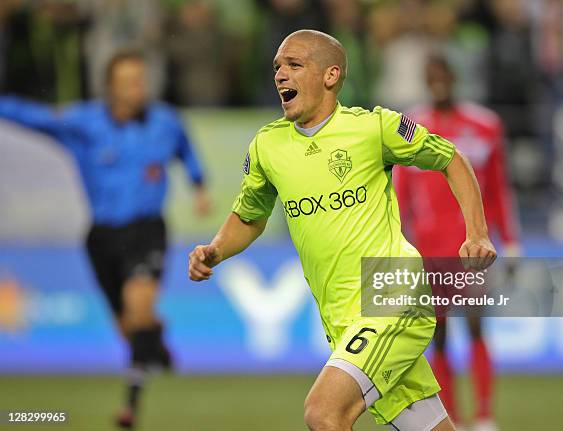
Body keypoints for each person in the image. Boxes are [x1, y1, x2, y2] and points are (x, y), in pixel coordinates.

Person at [189, 30, 496, 431]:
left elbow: (451, 158)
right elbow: (250, 216)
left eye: (294, 65)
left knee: (324, 411)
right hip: (341, 319)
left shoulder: (374, 128)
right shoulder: (267, 146)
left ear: (330, 75)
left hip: (391, 293)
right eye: (277, 67)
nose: (281, 75)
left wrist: (477, 233)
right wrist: (216, 249)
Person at [0, 50, 210, 429]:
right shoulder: (85, 123)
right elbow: (36, 118)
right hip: (101, 238)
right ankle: (153, 340)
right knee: (129, 328)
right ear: (110, 87)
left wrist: (198, 185)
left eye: (141, 80)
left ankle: (130, 406)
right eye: (128, 81)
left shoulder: (163, 121)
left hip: (147, 230)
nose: (137, 88)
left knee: (138, 303)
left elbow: (184, 147)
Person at [394, 55, 520, 431]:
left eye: (443, 75)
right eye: (431, 77)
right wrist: (398, 244)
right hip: (429, 250)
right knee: (441, 336)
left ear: (453, 78)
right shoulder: (409, 127)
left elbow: (498, 188)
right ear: (425, 81)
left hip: (472, 247)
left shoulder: (483, 125)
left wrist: (510, 241)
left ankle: (484, 415)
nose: (439, 83)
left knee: (477, 326)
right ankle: (453, 418)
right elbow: (400, 194)